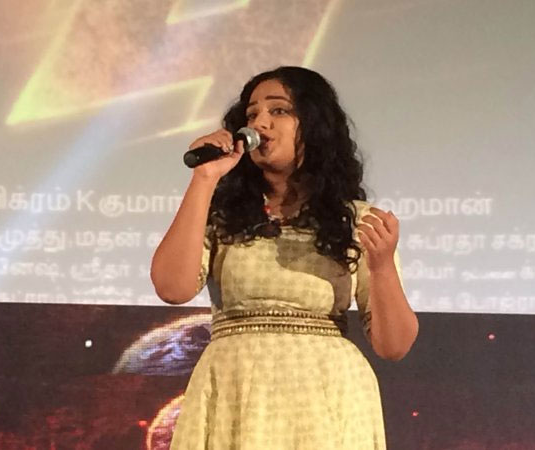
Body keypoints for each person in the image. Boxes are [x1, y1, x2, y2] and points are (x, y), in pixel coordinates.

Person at [151, 66, 418, 449]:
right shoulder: (221, 217)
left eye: (278, 110)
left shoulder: (357, 220)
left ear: (314, 125)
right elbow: (171, 288)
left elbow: (394, 346)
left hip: (326, 398)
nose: (260, 122)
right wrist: (204, 179)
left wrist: (382, 266)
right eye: (252, 114)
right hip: (235, 390)